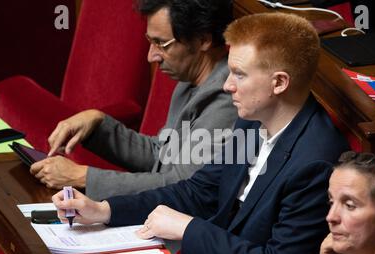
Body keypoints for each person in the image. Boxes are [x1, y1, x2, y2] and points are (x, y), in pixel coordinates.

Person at [52, 12, 349, 254]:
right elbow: (199, 191)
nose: (226, 85)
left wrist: (188, 229)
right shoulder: (251, 120)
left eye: (239, 75)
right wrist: (104, 210)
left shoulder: (316, 162)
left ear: (279, 83)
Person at [31, 0, 237, 200]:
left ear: (203, 40)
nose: (151, 56)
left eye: (161, 44)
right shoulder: (190, 80)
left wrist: (82, 177)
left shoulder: (228, 98)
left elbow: (182, 186)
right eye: (151, 42)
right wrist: (97, 123)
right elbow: (161, 155)